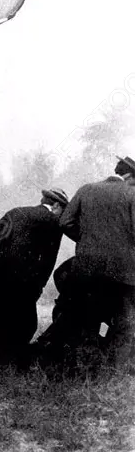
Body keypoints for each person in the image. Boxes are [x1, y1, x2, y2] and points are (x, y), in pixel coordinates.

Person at [58, 156, 135, 367]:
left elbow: (65, 222)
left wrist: (85, 241)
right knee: (123, 320)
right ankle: (116, 368)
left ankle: (84, 365)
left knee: (86, 316)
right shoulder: (132, 193)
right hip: (123, 271)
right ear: (130, 176)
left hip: (86, 268)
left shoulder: (86, 189)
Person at [0, 187, 68, 365]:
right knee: (26, 324)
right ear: (57, 205)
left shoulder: (16, 212)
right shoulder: (53, 222)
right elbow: (49, 259)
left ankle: (3, 359)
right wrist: (40, 285)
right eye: (63, 211)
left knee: (2, 318)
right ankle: (18, 362)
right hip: (24, 279)